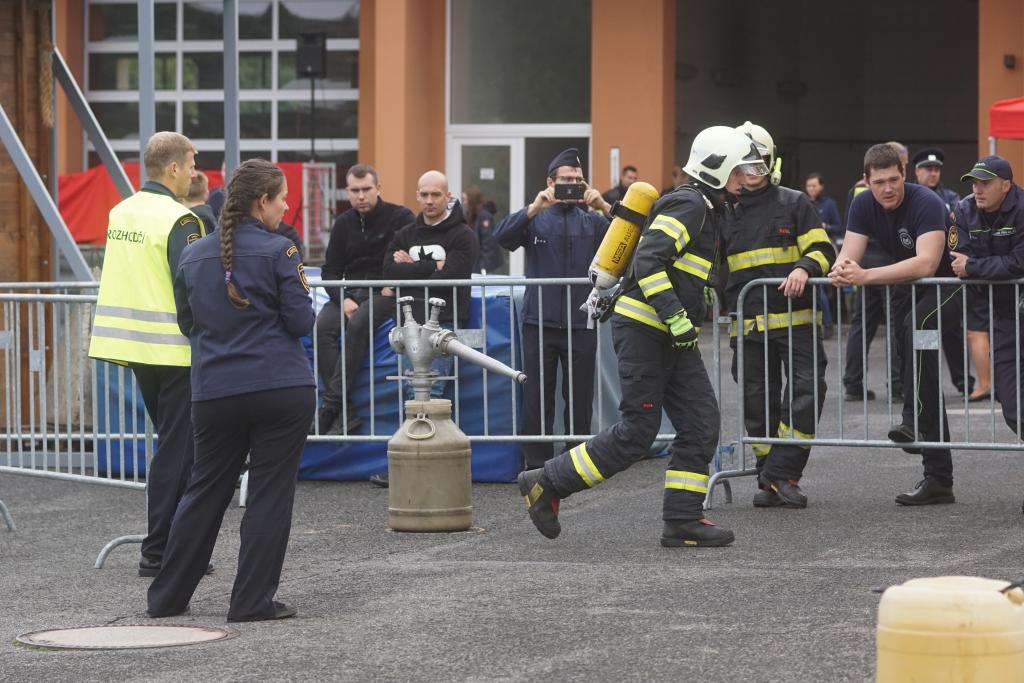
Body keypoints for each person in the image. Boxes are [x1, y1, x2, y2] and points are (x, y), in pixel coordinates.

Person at [518, 126, 768, 547]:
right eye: (741, 169)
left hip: (671, 335)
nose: (747, 177)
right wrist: (677, 317)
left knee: (701, 423)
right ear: (718, 168)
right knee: (638, 431)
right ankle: (546, 482)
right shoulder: (689, 204)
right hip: (647, 332)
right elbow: (650, 261)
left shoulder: (709, 207)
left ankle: (682, 519)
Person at [147, 159, 315, 622]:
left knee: (203, 491)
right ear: (262, 201)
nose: (284, 208)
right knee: (269, 494)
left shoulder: (192, 255)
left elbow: (187, 323)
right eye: (281, 199)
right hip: (280, 386)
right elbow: (302, 320)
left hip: (214, 390)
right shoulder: (281, 250)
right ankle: (251, 601)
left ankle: (166, 598)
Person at [88, 132, 208, 578]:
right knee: (177, 454)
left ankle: (176, 545)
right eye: (192, 163)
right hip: (174, 350)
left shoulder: (121, 211)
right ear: (174, 168)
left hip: (133, 347)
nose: (195, 173)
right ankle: (158, 552)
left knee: (177, 451)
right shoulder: (181, 220)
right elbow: (190, 284)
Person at [830, 143, 962, 506]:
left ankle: (913, 419)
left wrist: (865, 275)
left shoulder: (926, 202)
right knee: (918, 358)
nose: (887, 188)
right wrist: (841, 270)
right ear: (867, 181)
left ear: (904, 174)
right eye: (879, 182)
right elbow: (848, 255)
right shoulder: (862, 203)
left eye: (893, 180)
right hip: (911, 288)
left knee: (913, 328)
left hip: (950, 285)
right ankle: (939, 478)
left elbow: (925, 263)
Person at [724, 122, 835, 508]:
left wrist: (804, 267)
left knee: (806, 393)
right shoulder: (725, 210)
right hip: (749, 327)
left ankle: (783, 474)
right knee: (757, 403)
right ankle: (768, 476)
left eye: (758, 165)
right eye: (744, 166)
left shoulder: (794, 202)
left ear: (772, 163)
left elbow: (823, 249)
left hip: (797, 324)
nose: (752, 173)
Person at [492, 148, 610, 469]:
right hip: (538, 322)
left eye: (578, 181)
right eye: (566, 181)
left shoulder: (593, 222)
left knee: (579, 398)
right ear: (550, 182)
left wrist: (604, 206)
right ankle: (536, 464)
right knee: (536, 398)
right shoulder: (535, 218)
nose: (572, 186)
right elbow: (500, 237)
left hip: (581, 322)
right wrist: (533, 208)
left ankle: (575, 463)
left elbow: (630, 238)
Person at [371, 170, 478, 487]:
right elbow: (389, 270)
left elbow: (454, 274)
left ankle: (426, 467)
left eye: (436, 194)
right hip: (408, 326)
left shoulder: (463, 235)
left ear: (448, 196)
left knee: (432, 396)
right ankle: (412, 466)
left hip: (441, 328)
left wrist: (411, 268)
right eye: (424, 195)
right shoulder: (404, 233)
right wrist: (433, 267)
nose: (429, 201)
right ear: (416, 196)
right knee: (413, 396)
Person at [314, 165, 414, 435]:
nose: (361, 196)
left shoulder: (401, 217)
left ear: (378, 189)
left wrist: (392, 283)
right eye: (355, 191)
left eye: (366, 189)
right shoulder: (343, 223)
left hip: (385, 291)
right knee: (321, 329)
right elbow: (330, 270)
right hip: (351, 291)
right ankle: (346, 413)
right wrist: (344, 298)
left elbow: (412, 259)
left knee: (358, 325)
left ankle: (331, 406)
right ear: (347, 192)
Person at [949, 155, 1024, 473]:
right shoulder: (963, 210)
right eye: (975, 183)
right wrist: (980, 268)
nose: (978, 190)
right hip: (1004, 315)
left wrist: (976, 267)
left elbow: (1020, 263)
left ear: (1006, 185)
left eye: (986, 183)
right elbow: (956, 261)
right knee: (1010, 403)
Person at [912, 146, 977, 399]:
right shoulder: (910, 199)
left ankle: (963, 381)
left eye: (936, 169)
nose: (932, 173)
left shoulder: (951, 197)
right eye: (928, 169)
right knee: (923, 332)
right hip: (921, 277)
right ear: (916, 172)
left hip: (947, 275)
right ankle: (929, 383)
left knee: (951, 332)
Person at [804, 172, 841, 337]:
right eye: (808, 186)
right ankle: (819, 323)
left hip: (827, 247)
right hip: (806, 249)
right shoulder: (801, 202)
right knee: (815, 287)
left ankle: (827, 323)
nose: (811, 189)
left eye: (814, 186)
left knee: (823, 288)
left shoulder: (829, 204)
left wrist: (826, 226)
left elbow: (839, 227)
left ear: (821, 186)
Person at [462, 185, 505, 274]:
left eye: (465, 199)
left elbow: (488, 243)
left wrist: (484, 267)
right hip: (477, 266)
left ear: (472, 200)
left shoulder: (484, 217)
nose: (464, 202)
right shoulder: (472, 217)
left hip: (487, 268)